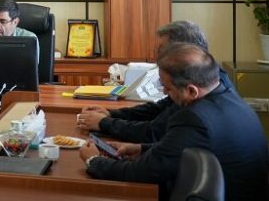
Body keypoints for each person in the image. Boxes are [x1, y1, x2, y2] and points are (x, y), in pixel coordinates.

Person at [79, 43, 268, 200]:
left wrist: (94, 160)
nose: (164, 92)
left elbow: (144, 172)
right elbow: (188, 147)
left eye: (167, 88)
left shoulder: (194, 117)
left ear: (191, 91)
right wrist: (141, 149)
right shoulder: (230, 98)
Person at [76, 20, 233, 143]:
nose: (157, 56)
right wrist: (111, 114)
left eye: (162, 51)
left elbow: (153, 133)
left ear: (183, 52)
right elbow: (159, 109)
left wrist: (104, 123)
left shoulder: (201, 86)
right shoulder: (205, 75)